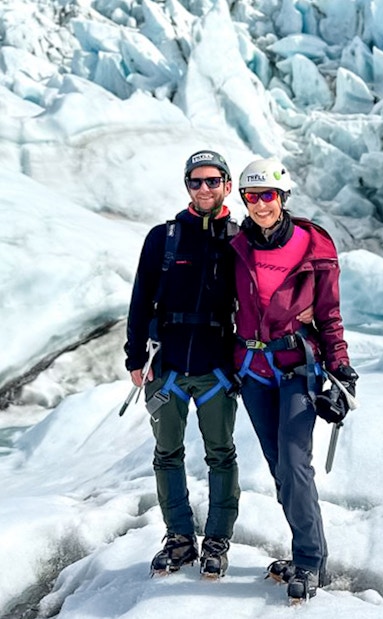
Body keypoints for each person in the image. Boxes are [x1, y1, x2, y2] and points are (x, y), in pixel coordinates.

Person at [230, 158, 358, 603]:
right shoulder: (238, 245)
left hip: (297, 369)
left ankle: (308, 561)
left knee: (294, 462)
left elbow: (329, 314)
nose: (261, 204)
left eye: (268, 195)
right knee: (279, 468)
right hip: (252, 372)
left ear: (283, 197)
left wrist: (341, 369)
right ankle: (311, 555)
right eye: (252, 196)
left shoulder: (313, 245)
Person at [124, 150, 240, 579]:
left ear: (227, 185)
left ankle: (216, 541)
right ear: (187, 186)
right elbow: (140, 298)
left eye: (213, 180)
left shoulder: (239, 240)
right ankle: (179, 539)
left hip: (216, 370)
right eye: (196, 181)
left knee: (221, 455)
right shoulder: (163, 237)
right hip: (166, 368)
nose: (204, 188)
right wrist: (135, 356)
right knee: (166, 454)